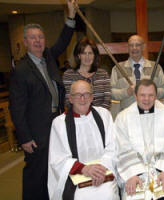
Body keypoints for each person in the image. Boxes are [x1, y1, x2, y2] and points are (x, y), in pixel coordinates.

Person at [9, 1, 76, 199]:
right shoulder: (20, 70)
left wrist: (71, 17)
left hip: (54, 124)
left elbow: (63, 41)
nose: (38, 41)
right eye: (33, 38)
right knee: (35, 174)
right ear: (26, 42)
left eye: (40, 37)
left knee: (52, 169)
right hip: (35, 131)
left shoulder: (48, 58)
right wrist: (24, 137)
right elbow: (17, 108)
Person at [48, 80, 119, 200]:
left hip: (104, 171)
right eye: (77, 95)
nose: (82, 99)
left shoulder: (104, 115)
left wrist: (99, 170)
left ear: (92, 97)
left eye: (86, 94)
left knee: (108, 195)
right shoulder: (59, 123)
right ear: (70, 98)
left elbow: (113, 147)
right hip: (76, 175)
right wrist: (84, 169)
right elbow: (57, 159)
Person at [115, 79, 164, 200]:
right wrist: (132, 174)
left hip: (162, 172)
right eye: (142, 95)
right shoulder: (123, 117)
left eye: (151, 95)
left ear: (156, 96)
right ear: (135, 95)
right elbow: (122, 149)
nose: (147, 99)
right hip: (136, 173)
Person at [111, 35, 164, 111]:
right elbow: (111, 92)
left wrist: (152, 91)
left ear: (143, 47)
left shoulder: (156, 67)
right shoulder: (118, 68)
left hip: (151, 112)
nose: (134, 48)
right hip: (127, 114)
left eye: (137, 45)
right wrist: (126, 92)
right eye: (131, 45)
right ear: (128, 48)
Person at [63, 37, 111, 110]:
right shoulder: (69, 75)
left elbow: (107, 100)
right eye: (84, 53)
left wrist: (95, 115)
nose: (87, 57)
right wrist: (85, 115)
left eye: (90, 53)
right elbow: (68, 101)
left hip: (101, 116)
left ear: (95, 55)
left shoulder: (103, 74)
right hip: (78, 118)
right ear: (78, 55)